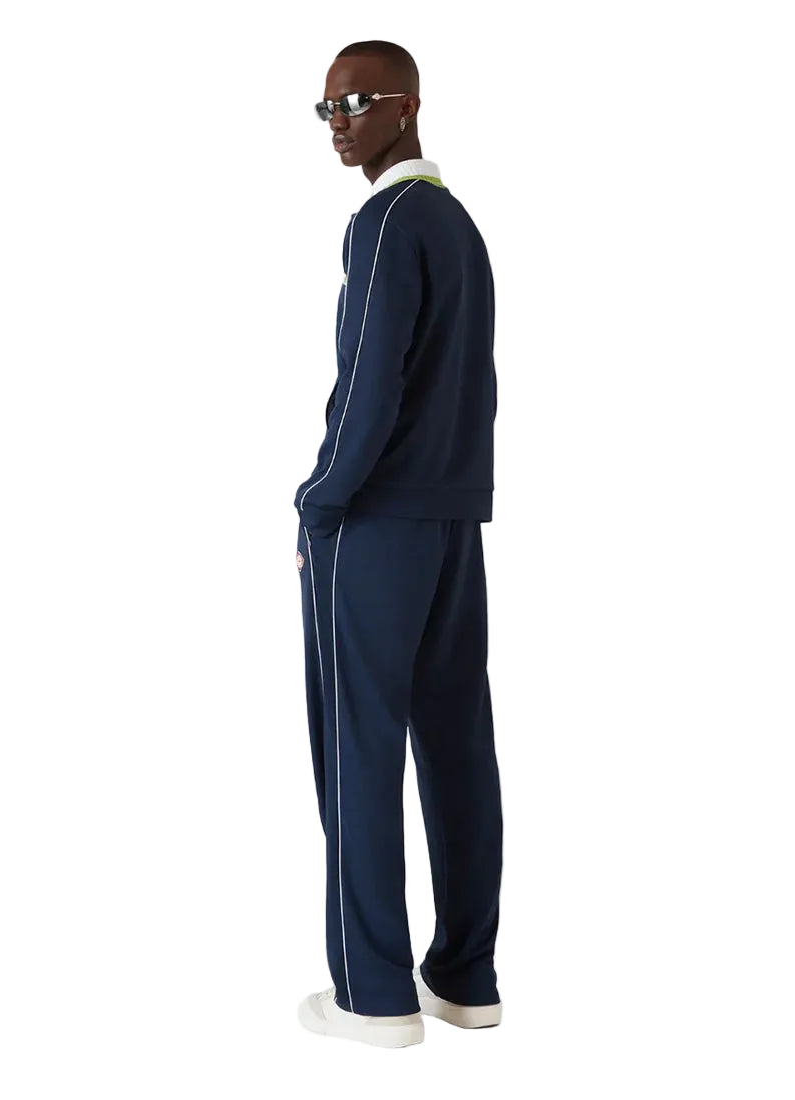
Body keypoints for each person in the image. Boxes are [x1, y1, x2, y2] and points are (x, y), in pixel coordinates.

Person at [292, 40, 502, 1049]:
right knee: (456, 744)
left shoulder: (385, 223)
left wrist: (320, 500)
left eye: (357, 102)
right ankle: (465, 977)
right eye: (326, 108)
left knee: (358, 747)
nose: (339, 122)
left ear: (406, 106)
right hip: (453, 519)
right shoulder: (457, 224)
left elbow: (370, 383)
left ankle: (372, 995)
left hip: (375, 525)